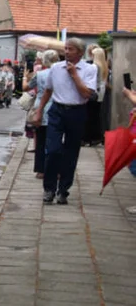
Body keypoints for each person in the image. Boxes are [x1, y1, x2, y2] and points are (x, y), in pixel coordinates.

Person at [32, 38, 98, 205]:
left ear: (80, 53)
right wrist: (39, 112)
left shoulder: (90, 69)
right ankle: (49, 189)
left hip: (77, 111)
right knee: (53, 150)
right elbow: (48, 90)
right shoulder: (56, 68)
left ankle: (63, 190)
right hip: (57, 110)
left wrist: (75, 75)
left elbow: (86, 94)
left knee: (71, 152)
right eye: (66, 49)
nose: (66, 52)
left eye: (71, 49)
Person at [29, 50, 58, 178]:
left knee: (40, 140)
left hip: (41, 106)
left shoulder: (40, 74)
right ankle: (56, 169)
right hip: (56, 107)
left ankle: (41, 169)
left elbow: (29, 86)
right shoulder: (61, 73)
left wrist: (26, 76)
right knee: (56, 141)